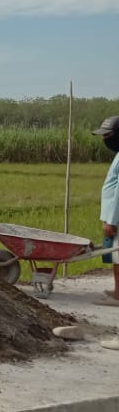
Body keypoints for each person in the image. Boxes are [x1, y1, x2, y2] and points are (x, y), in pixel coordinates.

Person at [94, 116, 119, 315]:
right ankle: (117, 290)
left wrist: (111, 220)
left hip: (116, 217)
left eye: (108, 136)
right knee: (115, 255)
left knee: (118, 256)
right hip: (114, 215)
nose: (105, 140)